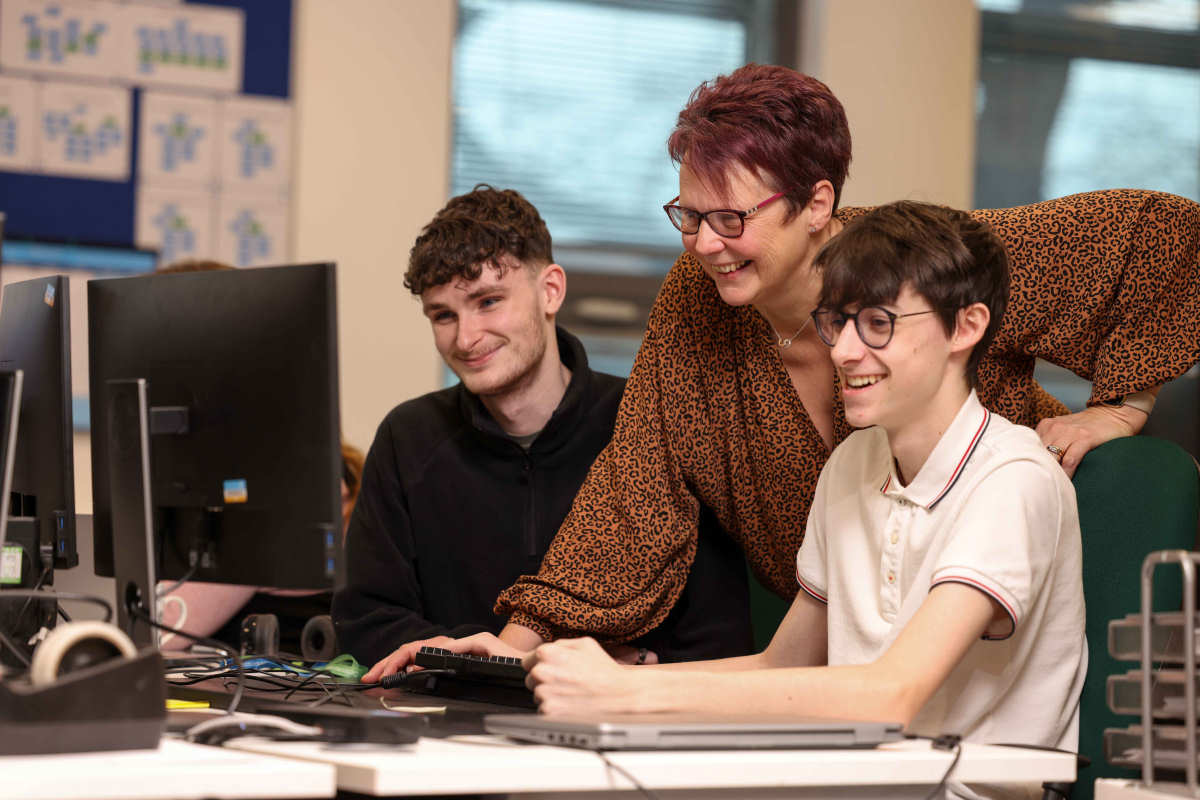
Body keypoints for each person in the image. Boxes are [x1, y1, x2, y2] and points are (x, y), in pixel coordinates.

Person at [370, 65, 1199, 676]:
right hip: (834, 659)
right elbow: (633, 491)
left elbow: (1153, 240)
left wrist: (1122, 407)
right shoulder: (696, 302)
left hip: (990, 631)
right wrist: (515, 655)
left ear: (815, 205)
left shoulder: (916, 262)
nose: (702, 245)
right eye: (687, 217)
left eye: (729, 217)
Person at [521, 204, 1087, 797]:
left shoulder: (1013, 478)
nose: (843, 351)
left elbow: (891, 695)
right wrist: (596, 681)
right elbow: (782, 665)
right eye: (835, 323)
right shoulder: (852, 466)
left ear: (965, 327)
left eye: (876, 323)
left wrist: (628, 695)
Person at [337, 186, 753, 675]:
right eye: (443, 315)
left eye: (488, 301)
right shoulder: (409, 438)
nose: (466, 338)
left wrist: (624, 665)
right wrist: (489, 664)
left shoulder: (650, 422)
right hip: (450, 725)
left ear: (550, 290)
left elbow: (723, 637)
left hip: (623, 719)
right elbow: (366, 619)